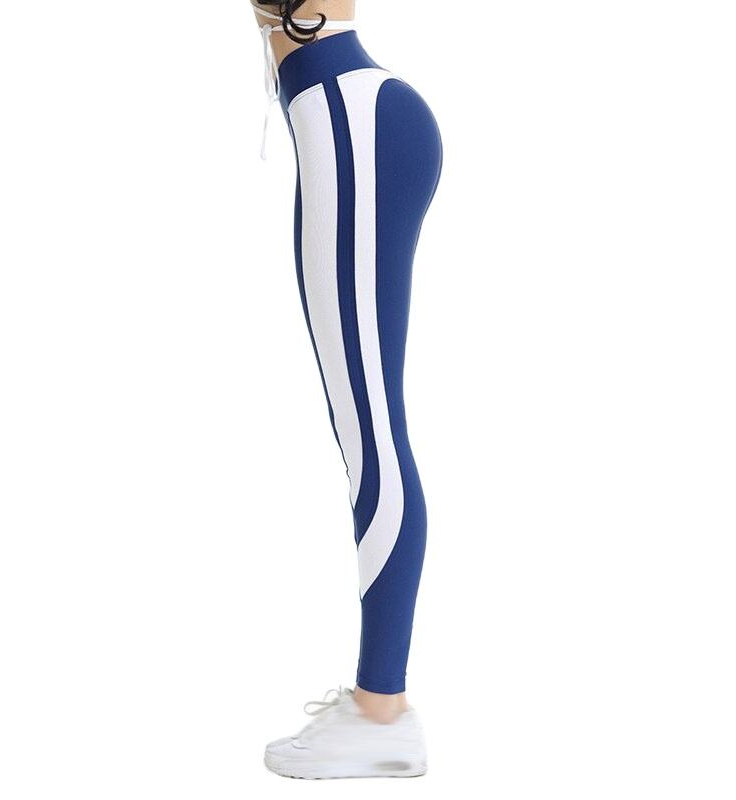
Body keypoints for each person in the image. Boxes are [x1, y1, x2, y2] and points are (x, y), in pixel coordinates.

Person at [249, 0, 442, 779]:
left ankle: (380, 710)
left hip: (350, 124)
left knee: (370, 429)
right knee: (365, 423)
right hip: (343, 114)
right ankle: (378, 707)